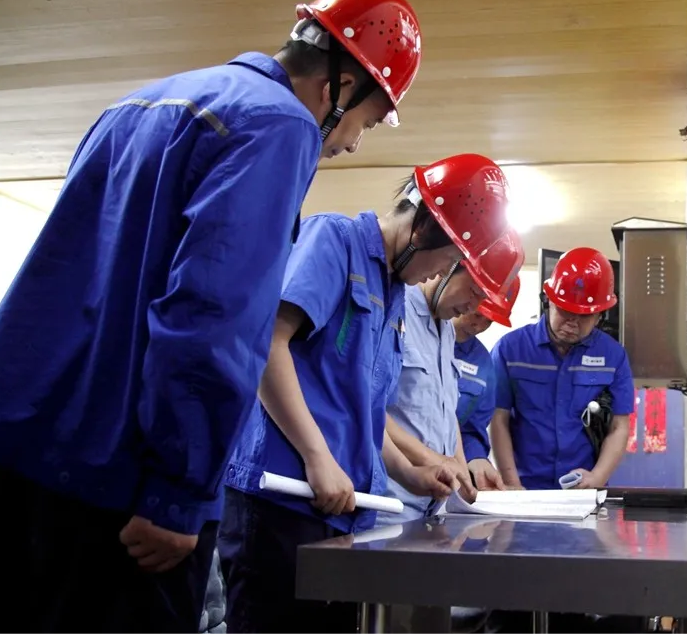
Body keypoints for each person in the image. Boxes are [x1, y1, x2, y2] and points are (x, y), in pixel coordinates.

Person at [0, 0, 422, 634]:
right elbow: (212, 316)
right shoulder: (280, 125)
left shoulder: (142, 101)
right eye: (366, 119)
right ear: (338, 88)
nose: (355, 142)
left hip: (24, 448)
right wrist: (179, 490)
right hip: (119, 485)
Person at [218, 154, 511, 633]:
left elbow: (366, 411)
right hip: (280, 503)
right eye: (450, 261)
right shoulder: (335, 240)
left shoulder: (391, 291)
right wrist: (317, 456)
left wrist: (409, 472)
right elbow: (267, 344)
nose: (438, 273)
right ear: (423, 231)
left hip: (339, 512)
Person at [379, 229, 525, 523]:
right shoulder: (394, 309)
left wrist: (464, 475)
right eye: (474, 293)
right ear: (450, 263)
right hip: (390, 504)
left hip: (434, 508)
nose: (474, 309)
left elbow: (447, 415)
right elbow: (370, 409)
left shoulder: (446, 330)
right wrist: (436, 461)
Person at [490, 247, 634, 491]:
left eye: (584, 316)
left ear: (600, 315)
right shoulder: (510, 350)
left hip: (583, 488)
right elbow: (498, 418)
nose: (572, 323)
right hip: (524, 486)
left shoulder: (613, 357)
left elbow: (619, 426)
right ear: (548, 301)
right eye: (565, 311)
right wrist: (512, 483)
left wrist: (597, 478)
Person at [453, 274, 522, 490]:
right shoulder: (415, 333)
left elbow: (471, 429)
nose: (479, 325)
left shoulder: (483, 364)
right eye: (478, 314)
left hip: (448, 475)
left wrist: (477, 459)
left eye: (489, 321)